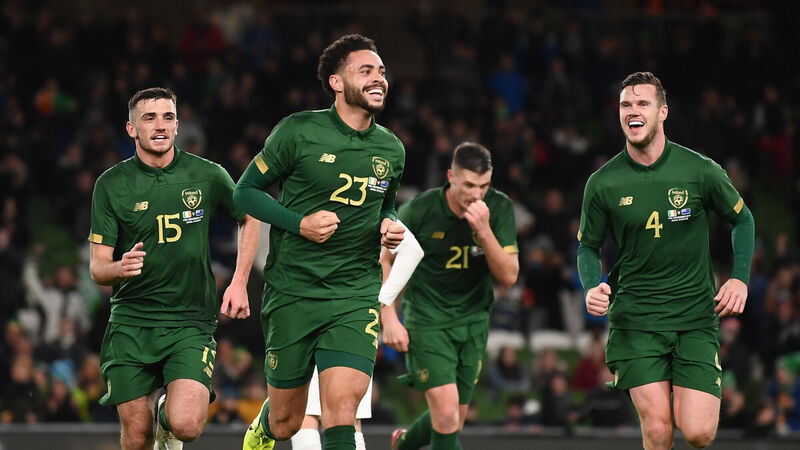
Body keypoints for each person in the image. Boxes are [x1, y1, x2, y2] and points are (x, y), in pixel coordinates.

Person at [233, 34, 406, 450]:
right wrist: (300, 224)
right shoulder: (298, 131)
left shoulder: (391, 149)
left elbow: (386, 205)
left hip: (354, 292)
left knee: (342, 407)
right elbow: (245, 192)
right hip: (293, 290)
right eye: (366, 71)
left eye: (381, 71)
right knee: (287, 422)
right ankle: (265, 426)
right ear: (336, 82)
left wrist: (390, 223)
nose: (378, 78)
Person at [577, 71, 755, 450]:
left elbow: (743, 219)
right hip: (636, 320)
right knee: (658, 430)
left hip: (694, 318)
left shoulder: (700, 170)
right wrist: (592, 286)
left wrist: (740, 278)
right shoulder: (603, 183)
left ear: (663, 112)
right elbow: (588, 247)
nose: (633, 111)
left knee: (698, 432)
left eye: (643, 103)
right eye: (626, 104)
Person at [88, 87, 259, 450]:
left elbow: (249, 217)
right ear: (132, 129)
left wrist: (239, 281)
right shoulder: (111, 184)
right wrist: (119, 267)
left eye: (168, 117)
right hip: (132, 323)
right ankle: (154, 425)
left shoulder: (207, 174)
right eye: (149, 118)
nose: (160, 125)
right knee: (137, 436)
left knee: (186, 425)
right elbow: (97, 268)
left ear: (178, 125)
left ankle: (166, 418)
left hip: (190, 321)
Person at [382, 142, 520, 450]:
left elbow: (509, 277)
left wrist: (484, 231)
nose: (477, 194)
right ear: (451, 177)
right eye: (469, 185)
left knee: (453, 419)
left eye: (484, 186)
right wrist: (388, 315)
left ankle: (403, 445)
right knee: (446, 414)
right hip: (427, 320)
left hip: (473, 321)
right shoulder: (420, 210)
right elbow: (386, 260)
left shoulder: (498, 208)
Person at [291, 225, 424, 450]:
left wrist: (385, 307)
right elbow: (407, 251)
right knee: (347, 417)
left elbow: (406, 251)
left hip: (315, 307)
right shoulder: (373, 208)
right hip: (354, 315)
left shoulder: (334, 210)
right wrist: (383, 305)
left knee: (311, 413)